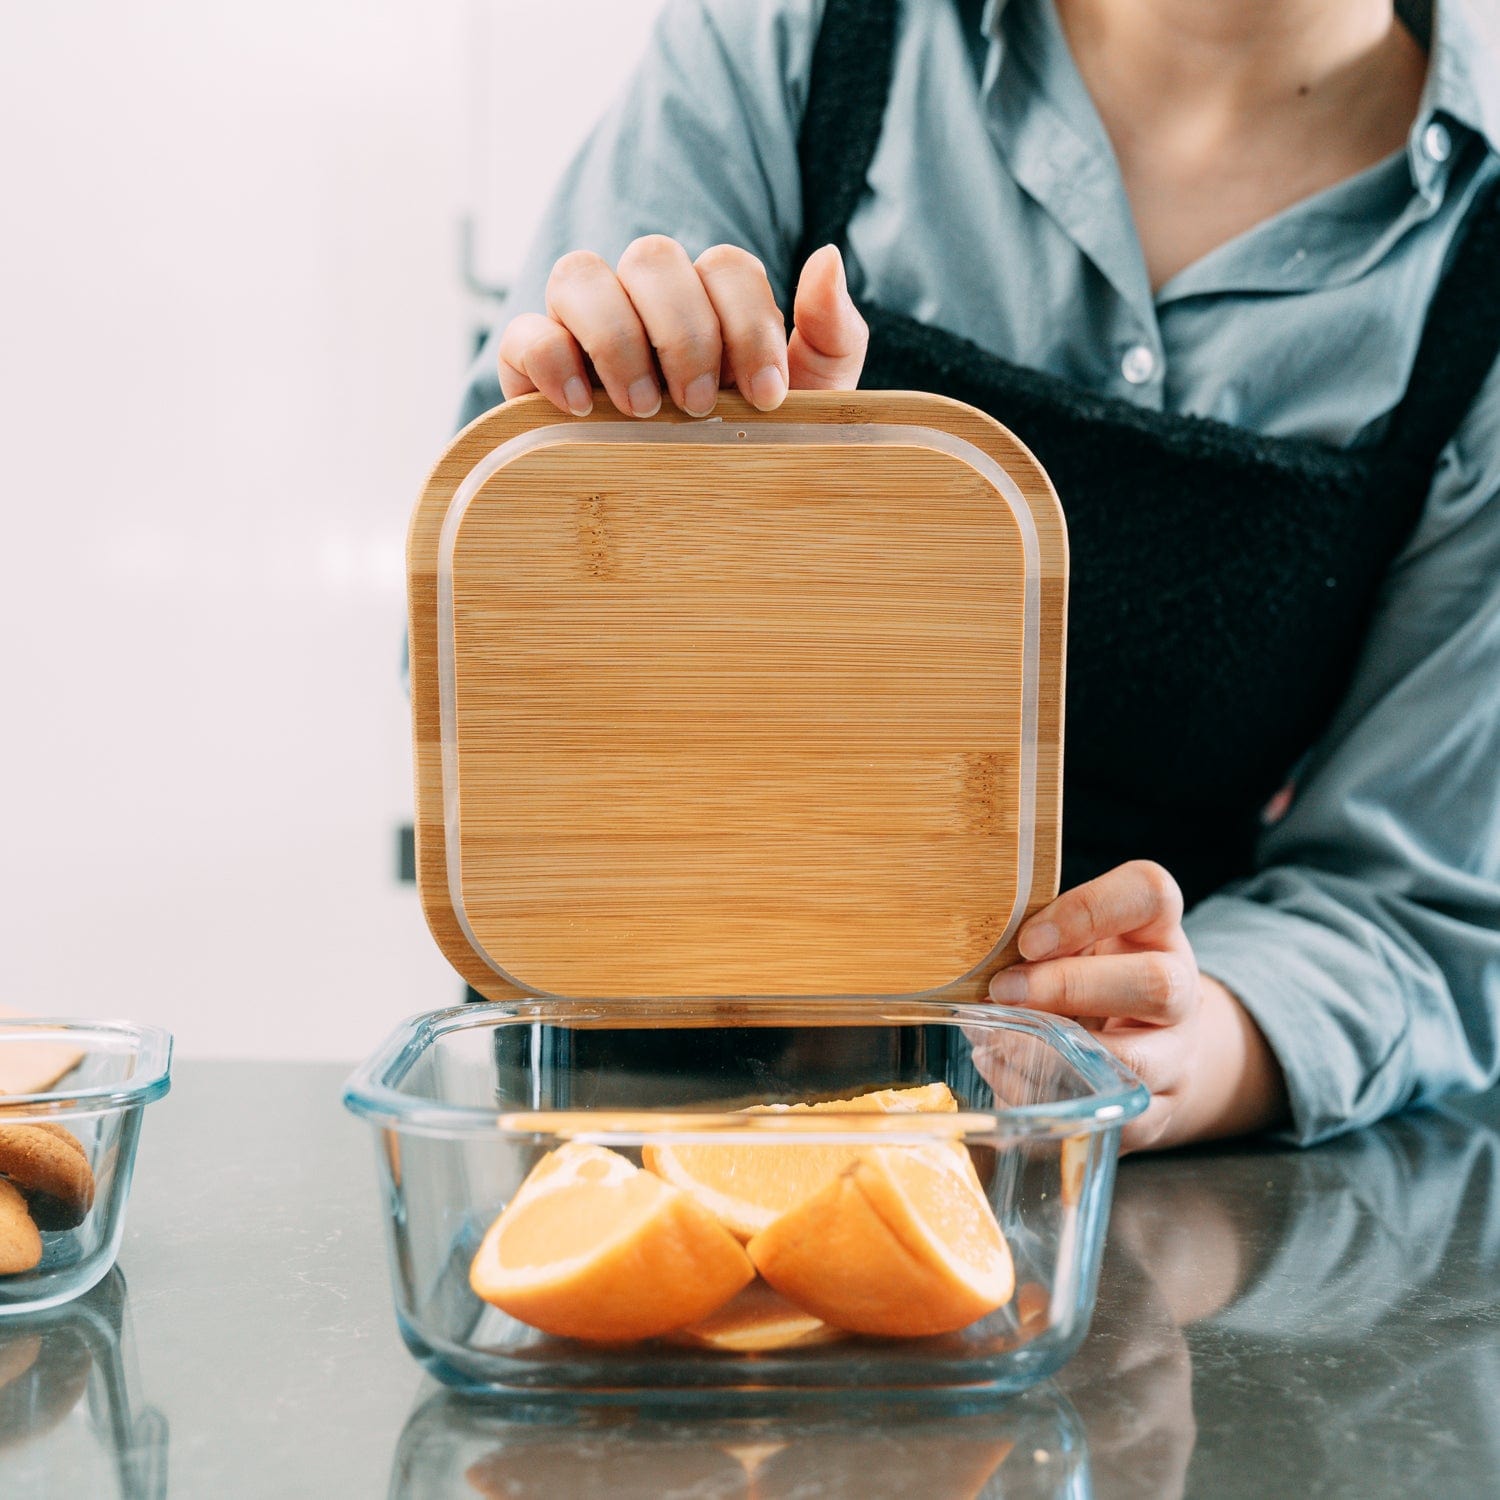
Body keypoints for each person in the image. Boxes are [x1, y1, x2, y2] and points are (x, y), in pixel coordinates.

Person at [457, 0, 1500, 1150]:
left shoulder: (1479, 277)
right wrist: (609, 508)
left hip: (1098, 1197)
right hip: (625, 1107)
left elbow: (1411, 904)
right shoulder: (789, 42)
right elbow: (482, 664)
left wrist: (1200, 1048)